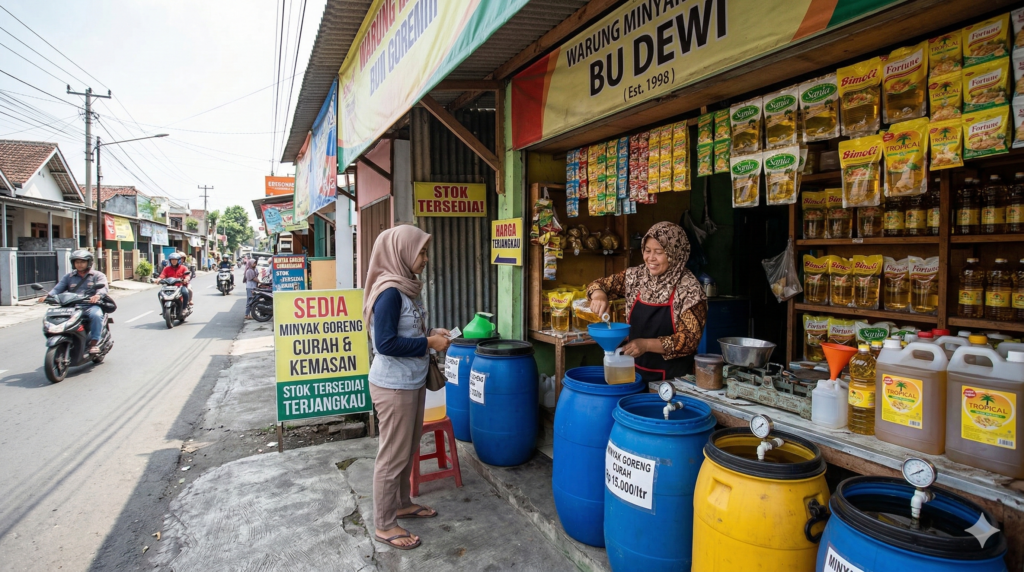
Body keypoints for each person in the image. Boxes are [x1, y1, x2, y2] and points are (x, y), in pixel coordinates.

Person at [364, 225, 450, 551]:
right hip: (393, 386)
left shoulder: (406, 288)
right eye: (421, 252)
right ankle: (385, 524)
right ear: (401, 253)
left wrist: (431, 332)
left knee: (407, 449)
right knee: (392, 456)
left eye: (426, 252)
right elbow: (385, 343)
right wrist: (428, 342)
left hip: (410, 383)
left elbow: (408, 331)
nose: (426, 259)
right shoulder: (389, 292)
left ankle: (402, 503)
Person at [587, 221, 708, 381]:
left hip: (674, 380)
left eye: (659, 252)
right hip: (634, 372)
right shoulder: (636, 277)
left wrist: (646, 345)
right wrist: (598, 295)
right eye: (647, 250)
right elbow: (599, 285)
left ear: (675, 253)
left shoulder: (690, 289)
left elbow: (689, 340)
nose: (650, 258)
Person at [39, 250, 109, 354]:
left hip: (90, 305)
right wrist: (48, 296)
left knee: (96, 315)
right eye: (77, 262)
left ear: (88, 262)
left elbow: (103, 288)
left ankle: (94, 342)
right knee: (52, 316)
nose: (79, 265)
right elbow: (58, 289)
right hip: (72, 306)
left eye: (82, 262)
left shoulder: (97, 275)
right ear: (73, 263)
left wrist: (97, 295)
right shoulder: (69, 277)